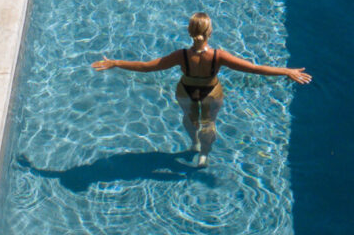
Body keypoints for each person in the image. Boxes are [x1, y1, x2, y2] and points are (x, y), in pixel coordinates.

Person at [93, 12, 311, 161]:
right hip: (211, 94)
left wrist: (115, 62)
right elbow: (254, 69)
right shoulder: (219, 56)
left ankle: (194, 144)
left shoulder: (181, 55)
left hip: (185, 92)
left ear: (189, 32)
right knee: (209, 123)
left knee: (190, 119)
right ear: (210, 33)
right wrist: (286, 71)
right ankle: (204, 154)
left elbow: (146, 66)